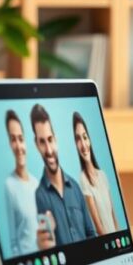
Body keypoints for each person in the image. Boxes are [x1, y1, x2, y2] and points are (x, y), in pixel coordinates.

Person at [31, 103, 97, 249]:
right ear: (36, 145)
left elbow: (91, 233)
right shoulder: (39, 197)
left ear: (56, 140)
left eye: (50, 139)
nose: (48, 150)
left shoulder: (76, 188)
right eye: (42, 142)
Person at [72, 112, 118, 235]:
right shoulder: (83, 179)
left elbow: (114, 217)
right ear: (76, 145)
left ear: (89, 139)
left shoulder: (102, 175)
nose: (83, 144)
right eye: (78, 139)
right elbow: (98, 227)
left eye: (84, 137)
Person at [2, 110, 38, 256]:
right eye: (13, 139)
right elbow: (13, 241)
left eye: (20, 139)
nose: (18, 146)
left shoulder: (37, 184)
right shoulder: (9, 185)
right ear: (10, 143)